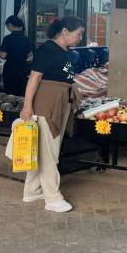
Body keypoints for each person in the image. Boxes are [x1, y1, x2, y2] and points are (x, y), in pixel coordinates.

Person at [18, 16, 85, 213]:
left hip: (60, 104)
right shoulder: (47, 49)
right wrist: (27, 107)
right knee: (49, 153)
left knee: (44, 150)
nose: (80, 38)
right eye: (79, 33)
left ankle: (32, 190)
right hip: (47, 105)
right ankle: (52, 198)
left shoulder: (65, 52)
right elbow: (34, 78)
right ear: (65, 31)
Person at [0, 15, 32, 96]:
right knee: (21, 93)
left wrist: (0, 55)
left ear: (10, 25)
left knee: (9, 93)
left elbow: (3, 55)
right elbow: (29, 56)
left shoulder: (7, 38)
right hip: (23, 69)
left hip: (10, 69)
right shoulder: (26, 39)